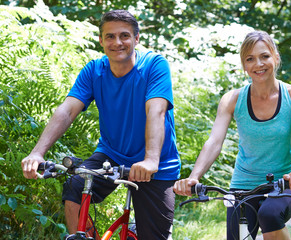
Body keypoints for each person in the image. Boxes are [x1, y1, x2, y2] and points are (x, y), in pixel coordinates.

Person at [21, 9, 180, 240]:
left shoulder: (154, 65)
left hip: (156, 164)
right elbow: (67, 111)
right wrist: (37, 153)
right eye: (110, 36)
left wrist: (150, 160)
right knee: (75, 187)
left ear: (136, 39)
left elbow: (155, 111)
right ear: (101, 40)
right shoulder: (94, 70)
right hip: (111, 154)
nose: (117, 42)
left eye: (124, 36)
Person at [174, 30, 291, 240]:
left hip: (285, 182)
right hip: (243, 184)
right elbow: (214, 142)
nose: (259, 64)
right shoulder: (232, 99)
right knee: (237, 236)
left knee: (269, 214)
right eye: (250, 59)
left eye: (264, 56)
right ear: (244, 65)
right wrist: (194, 177)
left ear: (275, 57)